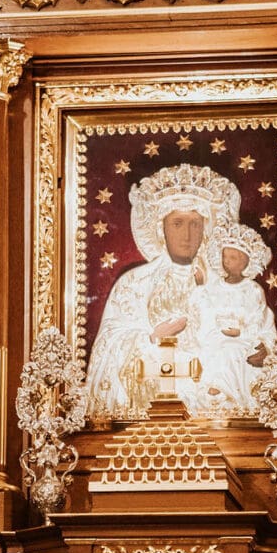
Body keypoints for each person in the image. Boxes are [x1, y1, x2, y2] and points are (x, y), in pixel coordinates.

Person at [82, 162, 240, 423]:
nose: (187, 235)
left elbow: (242, 338)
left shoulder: (226, 286)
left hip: (212, 410)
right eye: (177, 223)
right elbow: (109, 347)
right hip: (146, 412)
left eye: (196, 224)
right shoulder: (135, 282)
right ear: (161, 228)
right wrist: (153, 338)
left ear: (207, 230)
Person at [194, 225, 277, 417]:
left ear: (245, 262)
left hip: (245, 340)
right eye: (225, 257)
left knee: (231, 350)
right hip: (215, 337)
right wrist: (199, 286)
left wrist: (241, 333)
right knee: (217, 349)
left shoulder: (253, 290)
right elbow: (205, 309)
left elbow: (259, 321)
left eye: (233, 258)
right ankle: (215, 396)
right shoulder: (215, 287)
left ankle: (231, 397)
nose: (227, 262)